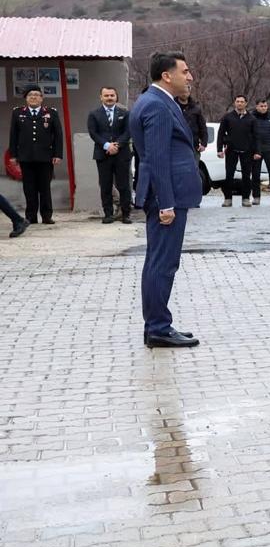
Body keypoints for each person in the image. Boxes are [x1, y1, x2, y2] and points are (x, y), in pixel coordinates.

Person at [130, 52, 203, 348]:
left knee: (158, 262)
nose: (189, 77)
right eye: (184, 71)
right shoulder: (157, 105)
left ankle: (157, 325)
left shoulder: (156, 101)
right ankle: (158, 328)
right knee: (162, 263)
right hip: (167, 196)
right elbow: (157, 158)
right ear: (166, 75)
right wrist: (166, 203)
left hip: (168, 194)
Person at [8, 84, 64, 224]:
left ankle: (46, 215)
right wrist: (13, 155)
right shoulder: (18, 113)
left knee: (45, 187)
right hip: (25, 157)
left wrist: (57, 154)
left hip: (45, 157)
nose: (33, 97)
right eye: (30, 95)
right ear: (26, 98)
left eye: (36, 95)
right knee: (29, 188)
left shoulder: (51, 112)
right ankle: (31, 216)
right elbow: (13, 135)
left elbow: (58, 135)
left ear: (41, 98)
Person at [87, 85, 133, 223]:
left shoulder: (125, 113)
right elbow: (93, 133)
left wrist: (117, 145)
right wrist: (107, 145)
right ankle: (108, 214)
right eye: (106, 95)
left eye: (112, 95)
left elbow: (128, 131)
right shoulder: (94, 114)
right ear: (101, 97)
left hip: (121, 154)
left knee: (123, 185)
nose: (109, 98)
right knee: (105, 185)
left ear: (116, 97)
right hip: (103, 154)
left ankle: (125, 214)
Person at [217, 96, 256, 207]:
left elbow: (256, 136)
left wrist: (257, 151)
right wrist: (219, 149)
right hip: (231, 150)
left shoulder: (252, 119)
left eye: (242, 102)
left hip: (247, 151)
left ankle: (246, 198)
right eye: (238, 101)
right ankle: (228, 199)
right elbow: (221, 133)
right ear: (234, 103)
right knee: (229, 175)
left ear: (246, 103)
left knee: (246, 176)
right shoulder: (227, 117)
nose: (239, 103)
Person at [248, 99, 270, 205]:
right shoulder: (251, 118)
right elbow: (248, 135)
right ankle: (256, 197)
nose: (263, 108)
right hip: (256, 151)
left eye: (265, 106)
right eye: (261, 106)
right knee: (255, 174)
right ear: (257, 107)